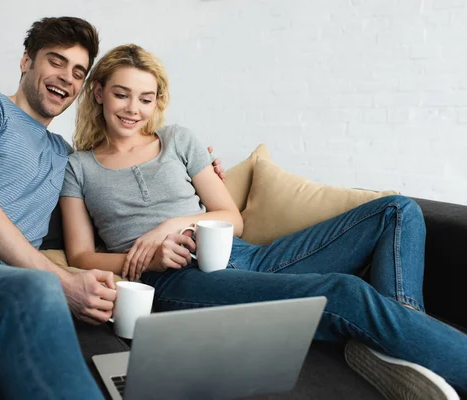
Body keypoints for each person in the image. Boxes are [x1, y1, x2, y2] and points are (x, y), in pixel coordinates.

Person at [60, 43, 467, 399]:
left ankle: (396, 346)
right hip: (178, 278)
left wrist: (169, 226)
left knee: (396, 209)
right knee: (344, 293)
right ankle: (409, 345)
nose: (134, 109)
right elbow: (80, 254)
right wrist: (147, 258)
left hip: (243, 254)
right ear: (98, 93)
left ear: (157, 102)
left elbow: (231, 218)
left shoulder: (178, 140)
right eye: (122, 94)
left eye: (146, 98)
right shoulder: (78, 168)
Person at [0, 17, 231, 400]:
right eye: (55, 61)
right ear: (26, 61)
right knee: (37, 290)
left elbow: (116, 191)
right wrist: (63, 282)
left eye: (77, 71)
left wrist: (200, 173)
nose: (65, 78)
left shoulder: (65, 157)